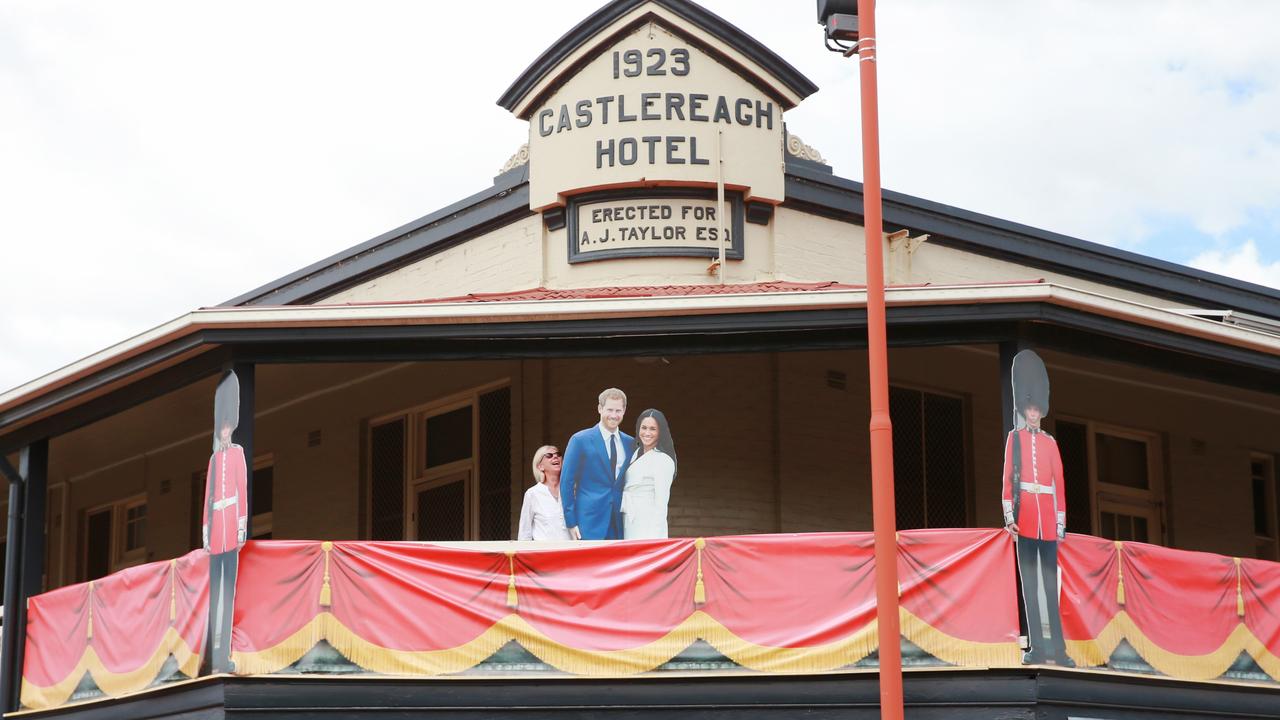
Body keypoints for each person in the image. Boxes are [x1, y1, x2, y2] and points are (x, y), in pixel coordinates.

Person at [1001, 349, 1073, 667]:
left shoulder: (1050, 442)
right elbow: (1007, 480)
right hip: (1026, 520)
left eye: (1036, 408)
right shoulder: (1013, 439)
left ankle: (1058, 648)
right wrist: (1009, 518)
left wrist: (1060, 522)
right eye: (1028, 407)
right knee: (1029, 587)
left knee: (1050, 587)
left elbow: (1058, 483)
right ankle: (1037, 648)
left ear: (1041, 409)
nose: (1032, 413)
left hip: (1046, 518)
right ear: (1025, 408)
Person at [203, 371, 249, 674]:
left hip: (230, 527)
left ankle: (225, 652)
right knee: (215, 595)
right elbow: (208, 498)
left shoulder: (237, 454)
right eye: (222, 427)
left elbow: (241, 490)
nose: (225, 432)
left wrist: (241, 526)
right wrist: (206, 533)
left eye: (227, 426)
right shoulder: (213, 460)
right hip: (217, 528)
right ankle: (214, 653)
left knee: (228, 593)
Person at [560, 388, 635, 540]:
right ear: (600, 409)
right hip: (588, 522)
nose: (614, 415)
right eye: (610, 410)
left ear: (624, 410)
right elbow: (566, 482)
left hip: (621, 522)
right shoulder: (580, 440)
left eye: (618, 410)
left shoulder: (631, 443)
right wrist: (571, 522)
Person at [622, 409, 677, 539]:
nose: (647, 433)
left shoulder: (663, 460)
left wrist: (657, 539)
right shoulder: (636, 453)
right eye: (644, 427)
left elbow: (661, 503)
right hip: (629, 517)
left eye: (653, 429)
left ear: (660, 432)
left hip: (648, 522)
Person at [517, 445, 572, 541]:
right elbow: (524, 534)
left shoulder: (572, 490)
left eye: (558, 454)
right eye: (549, 455)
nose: (555, 457)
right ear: (540, 466)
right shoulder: (532, 494)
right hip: (545, 554)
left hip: (570, 553)